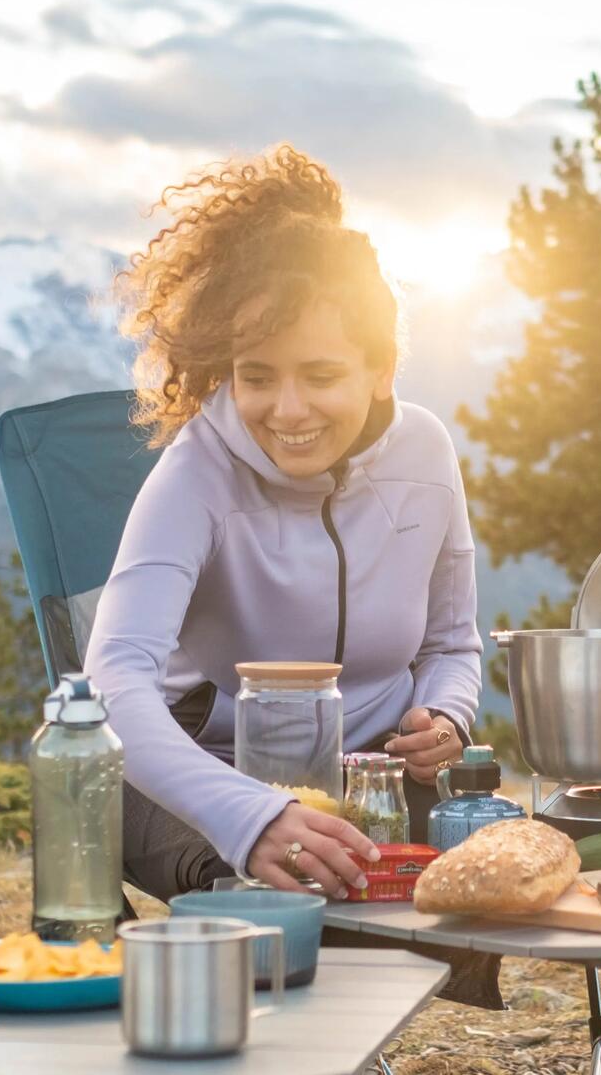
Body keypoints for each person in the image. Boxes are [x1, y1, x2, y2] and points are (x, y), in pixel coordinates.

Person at [87, 144, 482, 903]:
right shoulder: (196, 471)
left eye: (322, 375)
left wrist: (450, 718)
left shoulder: (426, 453)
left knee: (488, 841)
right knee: (282, 884)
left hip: (374, 780)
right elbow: (113, 684)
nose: (288, 410)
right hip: (202, 780)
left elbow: (451, 642)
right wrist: (254, 813)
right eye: (257, 377)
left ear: (380, 370)